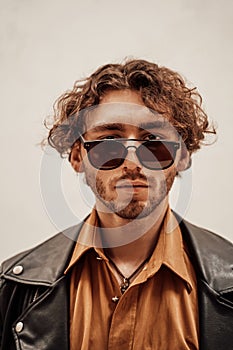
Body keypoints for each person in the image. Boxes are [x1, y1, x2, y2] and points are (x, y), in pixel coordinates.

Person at [0, 59, 232, 350]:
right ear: (77, 157)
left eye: (155, 142)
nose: (132, 162)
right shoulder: (15, 287)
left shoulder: (229, 281)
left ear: (182, 157)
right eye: (109, 142)